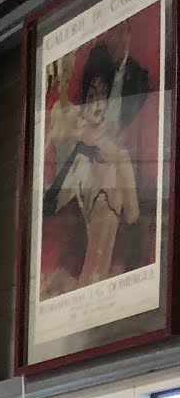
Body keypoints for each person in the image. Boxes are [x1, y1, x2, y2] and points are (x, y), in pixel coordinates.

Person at [41, 34, 151, 294]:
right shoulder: (82, 161)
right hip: (86, 283)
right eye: (91, 96)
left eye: (103, 95)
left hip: (106, 282)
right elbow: (50, 205)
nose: (97, 103)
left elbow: (133, 217)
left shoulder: (120, 158)